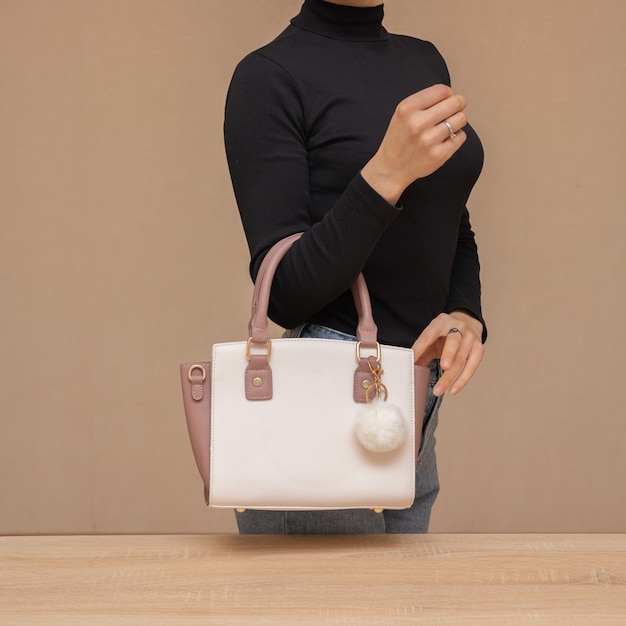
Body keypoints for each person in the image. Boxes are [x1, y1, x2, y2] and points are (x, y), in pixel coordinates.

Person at [223, 0, 486, 534]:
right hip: (324, 397)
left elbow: (449, 219)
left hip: (412, 391)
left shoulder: (424, 61)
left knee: (403, 611)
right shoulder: (268, 77)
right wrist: (387, 171)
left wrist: (465, 312)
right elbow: (286, 292)